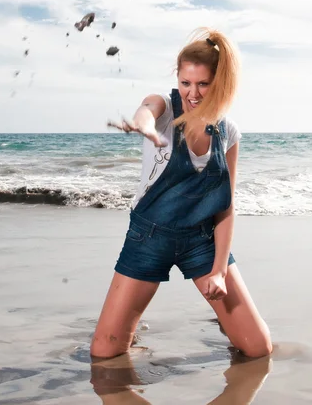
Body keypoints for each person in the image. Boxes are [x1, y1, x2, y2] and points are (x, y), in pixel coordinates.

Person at [91, 28, 272, 360]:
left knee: (258, 348)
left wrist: (218, 270)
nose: (193, 93)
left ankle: (224, 321)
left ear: (217, 83)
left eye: (203, 84)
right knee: (105, 352)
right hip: (149, 238)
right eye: (186, 82)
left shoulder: (228, 132)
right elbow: (147, 108)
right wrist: (143, 125)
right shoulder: (164, 109)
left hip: (201, 242)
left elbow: (226, 207)